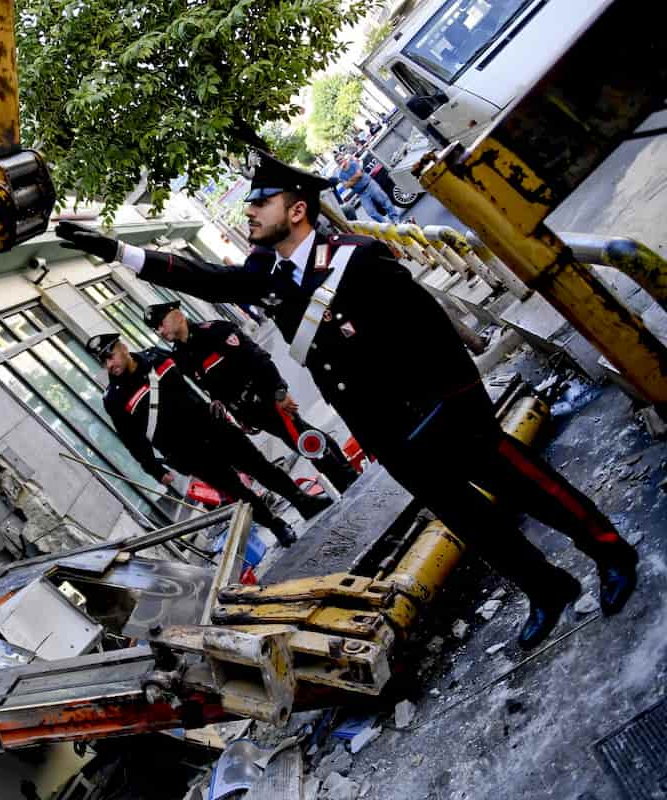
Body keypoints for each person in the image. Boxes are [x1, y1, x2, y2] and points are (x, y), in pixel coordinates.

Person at [56, 155, 639, 650]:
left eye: (260, 204)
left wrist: (463, 404)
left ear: (297, 209)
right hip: (387, 432)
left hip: (440, 410)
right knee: (470, 520)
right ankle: (545, 587)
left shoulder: (356, 260)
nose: (249, 214)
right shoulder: (269, 272)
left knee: (523, 483)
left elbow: (431, 328)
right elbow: (210, 279)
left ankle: (609, 551)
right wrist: (117, 251)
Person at [85, 333, 337, 546]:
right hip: (187, 451)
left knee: (261, 467)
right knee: (236, 491)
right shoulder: (114, 399)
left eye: (110, 355)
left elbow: (198, 374)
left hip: (214, 426)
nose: (109, 364)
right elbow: (132, 440)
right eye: (102, 361)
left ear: (123, 347)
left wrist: (222, 399)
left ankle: (303, 502)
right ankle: (277, 526)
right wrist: (154, 469)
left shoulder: (157, 357)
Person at [145, 300, 360, 492]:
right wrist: (240, 417)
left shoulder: (216, 332)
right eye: (155, 329)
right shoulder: (181, 357)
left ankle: (346, 479)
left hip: (267, 397)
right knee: (301, 435)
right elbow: (215, 390)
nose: (160, 330)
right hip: (251, 412)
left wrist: (279, 391)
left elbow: (258, 359)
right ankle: (345, 472)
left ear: (178, 314)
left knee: (301, 439)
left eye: (161, 323)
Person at [337, 150, 401, 224]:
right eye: (338, 161)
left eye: (340, 159)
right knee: (370, 212)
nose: (340, 161)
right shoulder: (341, 174)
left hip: (370, 185)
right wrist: (354, 179)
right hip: (361, 193)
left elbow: (360, 175)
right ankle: (387, 223)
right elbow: (346, 186)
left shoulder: (353, 164)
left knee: (384, 202)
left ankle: (395, 219)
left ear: (344, 159)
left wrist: (350, 181)